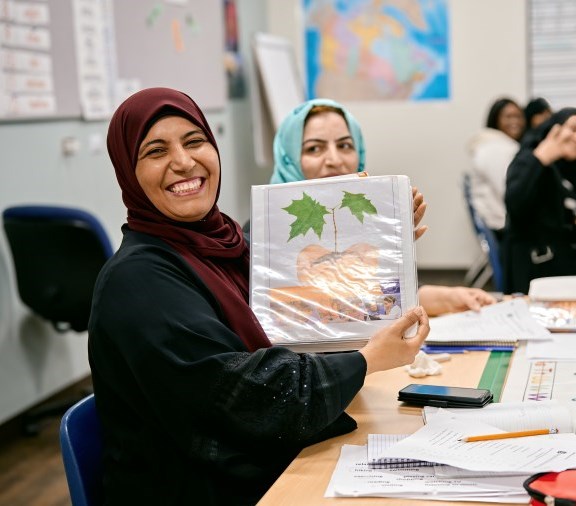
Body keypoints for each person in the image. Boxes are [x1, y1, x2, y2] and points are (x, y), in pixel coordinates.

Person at [89, 87, 430, 505]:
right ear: (128, 171)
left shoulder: (227, 243)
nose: (183, 162)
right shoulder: (138, 280)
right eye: (156, 151)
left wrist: (381, 255)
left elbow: (304, 323)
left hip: (263, 463)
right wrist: (369, 360)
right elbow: (248, 397)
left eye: (195, 142)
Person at [270, 97, 497, 315]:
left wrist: (447, 298)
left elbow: (370, 296)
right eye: (314, 149)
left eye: (345, 145)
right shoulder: (263, 235)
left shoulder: (359, 221)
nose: (335, 160)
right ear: (288, 158)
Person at [503, 107, 576, 294]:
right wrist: (541, 157)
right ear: (554, 128)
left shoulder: (570, 171)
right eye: (573, 129)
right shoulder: (528, 158)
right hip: (534, 272)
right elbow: (515, 204)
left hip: (566, 263)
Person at [467, 97, 525, 239]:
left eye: (518, 116)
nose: (515, 121)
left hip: (500, 222)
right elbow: (507, 191)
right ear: (495, 119)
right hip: (502, 227)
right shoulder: (495, 148)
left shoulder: (499, 144)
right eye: (508, 116)